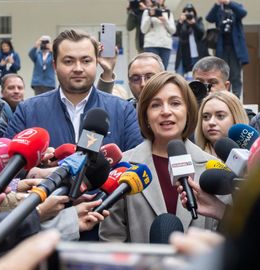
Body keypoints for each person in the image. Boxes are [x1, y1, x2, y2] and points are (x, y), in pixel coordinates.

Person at [99, 72, 222, 243]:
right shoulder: (123, 167)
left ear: (188, 111)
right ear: (146, 115)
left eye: (175, 103)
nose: (166, 111)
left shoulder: (214, 168)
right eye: (156, 105)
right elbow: (111, 238)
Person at [5, 29, 142, 150]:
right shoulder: (28, 111)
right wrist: (35, 172)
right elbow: (7, 165)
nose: (78, 68)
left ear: (96, 63)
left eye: (86, 61)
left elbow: (137, 166)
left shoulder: (123, 111)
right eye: (68, 61)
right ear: (55, 65)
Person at [206, 0, 249, 98]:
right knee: (222, 74)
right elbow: (209, 18)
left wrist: (228, 3)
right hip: (222, 48)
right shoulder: (218, 8)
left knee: (235, 75)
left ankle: (236, 98)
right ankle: (224, 97)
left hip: (235, 48)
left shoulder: (235, 6)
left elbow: (243, 13)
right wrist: (217, 4)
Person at [192, 56, 255, 120]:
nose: (205, 88)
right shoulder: (186, 115)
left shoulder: (243, 117)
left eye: (212, 83)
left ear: (226, 86)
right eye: (199, 82)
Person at [97, 52, 165, 108]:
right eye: (136, 79)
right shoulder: (124, 113)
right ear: (129, 84)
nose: (143, 84)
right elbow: (100, 108)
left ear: (163, 80)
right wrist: (107, 72)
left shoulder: (173, 112)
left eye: (149, 77)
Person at [195, 91, 248, 157]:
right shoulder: (193, 156)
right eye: (206, 117)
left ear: (236, 118)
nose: (211, 122)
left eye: (220, 116)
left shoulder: (251, 159)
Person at [175, 3, 209, 76]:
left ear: (194, 12)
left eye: (190, 11)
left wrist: (194, 24)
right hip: (185, 55)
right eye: (186, 11)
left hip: (198, 54)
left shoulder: (198, 20)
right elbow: (176, 33)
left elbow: (202, 33)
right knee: (186, 76)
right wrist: (180, 22)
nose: (188, 13)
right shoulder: (181, 22)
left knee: (200, 75)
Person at [141, 0, 176, 69]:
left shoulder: (168, 12)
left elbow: (173, 31)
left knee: (163, 69)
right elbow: (143, 30)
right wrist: (150, 16)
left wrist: (165, 21)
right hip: (151, 45)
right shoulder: (147, 12)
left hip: (165, 45)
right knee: (151, 68)